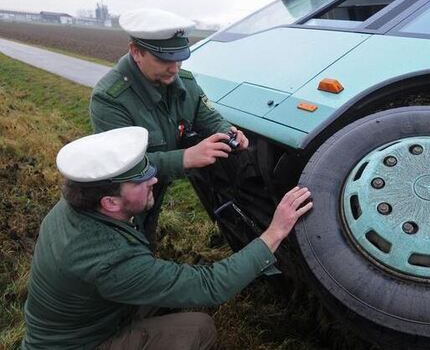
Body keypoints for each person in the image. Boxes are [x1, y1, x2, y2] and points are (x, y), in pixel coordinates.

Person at [21, 127, 312, 350]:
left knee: (168, 299)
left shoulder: (78, 202)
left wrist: (192, 155)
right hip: (82, 343)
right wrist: (275, 232)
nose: (154, 180)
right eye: (141, 180)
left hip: (79, 320)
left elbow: (155, 167)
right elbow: (209, 286)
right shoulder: (110, 260)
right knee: (199, 327)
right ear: (110, 203)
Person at [89, 8, 246, 247]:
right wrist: (186, 158)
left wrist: (228, 132)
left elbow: (208, 117)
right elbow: (124, 168)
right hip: (119, 199)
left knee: (146, 237)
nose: (174, 68)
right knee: (121, 247)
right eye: (164, 59)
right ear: (136, 52)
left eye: (179, 57)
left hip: (154, 189)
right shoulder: (110, 99)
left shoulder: (186, 82)